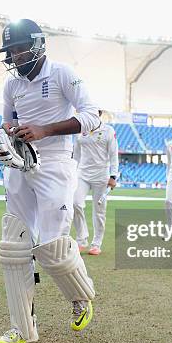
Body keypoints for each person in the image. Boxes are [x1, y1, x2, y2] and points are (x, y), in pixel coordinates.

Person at [0, 19, 99, 343]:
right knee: (14, 246)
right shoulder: (11, 87)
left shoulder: (63, 73)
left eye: (21, 48)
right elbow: (9, 120)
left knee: (53, 246)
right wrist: (5, 134)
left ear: (38, 44)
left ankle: (81, 297)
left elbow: (93, 116)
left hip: (55, 163)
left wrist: (44, 130)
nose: (16, 55)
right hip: (21, 163)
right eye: (11, 50)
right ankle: (21, 327)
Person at [72, 109, 119, 255]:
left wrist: (113, 176)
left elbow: (113, 155)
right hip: (83, 174)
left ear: (98, 115)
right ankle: (81, 240)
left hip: (101, 175)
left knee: (99, 211)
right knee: (75, 203)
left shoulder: (108, 131)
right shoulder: (81, 131)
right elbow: (76, 155)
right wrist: (72, 172)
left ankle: (96, 244)